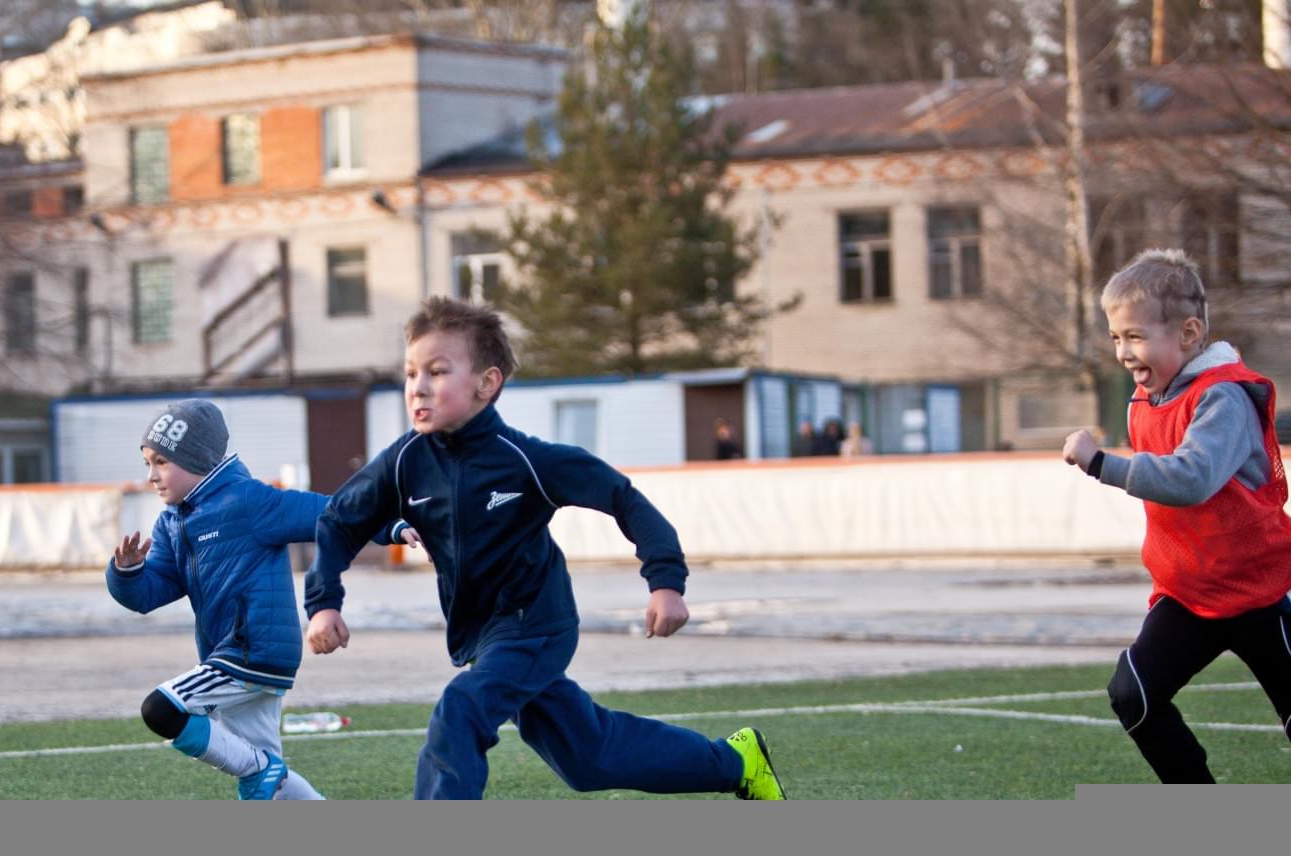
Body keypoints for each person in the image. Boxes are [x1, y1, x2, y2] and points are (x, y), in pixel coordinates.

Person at [303, 296, 786, 799]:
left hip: (536, 623)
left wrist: (665, 582)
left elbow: (624, 499)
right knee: (590, 757)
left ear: (487, 384)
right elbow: (339, 520)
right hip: (482, 636)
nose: (418, 387)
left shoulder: (526, 460)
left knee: (462, 709)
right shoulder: (403, 462)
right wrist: (324, 604)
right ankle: (737, 762)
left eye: (438, 371)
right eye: (410, 374)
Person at [1062, 248, 1291, 783]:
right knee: (1135, 695)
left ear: (1189, 334)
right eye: (1116, 336)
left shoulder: (1224, 397)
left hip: (1263, 593)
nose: (1123, 351)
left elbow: (1191, 479)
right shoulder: (1145, 400)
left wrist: (1102, 464)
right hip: (1192, 596)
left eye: (1136, 336)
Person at [107, 398, 332, 799]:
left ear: (195, 459)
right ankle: (267, 773)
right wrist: (127, 573)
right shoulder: (172, 522)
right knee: (273, 785)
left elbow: (336, 514)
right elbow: (148, 594)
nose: (152, 476)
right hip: (228, 654)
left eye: (161, 462)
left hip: (251, 652)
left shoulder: (248, 501)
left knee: (162, 710)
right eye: (147, 463)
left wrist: (396, 524)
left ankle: (259, 770)